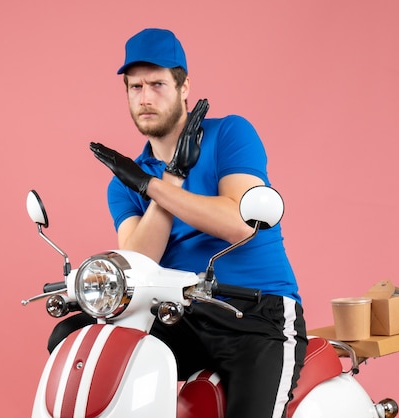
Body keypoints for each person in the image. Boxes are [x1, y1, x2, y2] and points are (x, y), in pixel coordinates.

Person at [48, 28, 307, 418]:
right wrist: (169, 180)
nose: (146, 97)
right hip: (179, 313)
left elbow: (240, 222)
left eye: (158, 84)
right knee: (74, 339)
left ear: (185, 87)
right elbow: (138, 261)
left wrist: (152, 186)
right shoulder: (126, 181)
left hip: (256, 314)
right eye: (135, 87)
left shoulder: (230, 133)